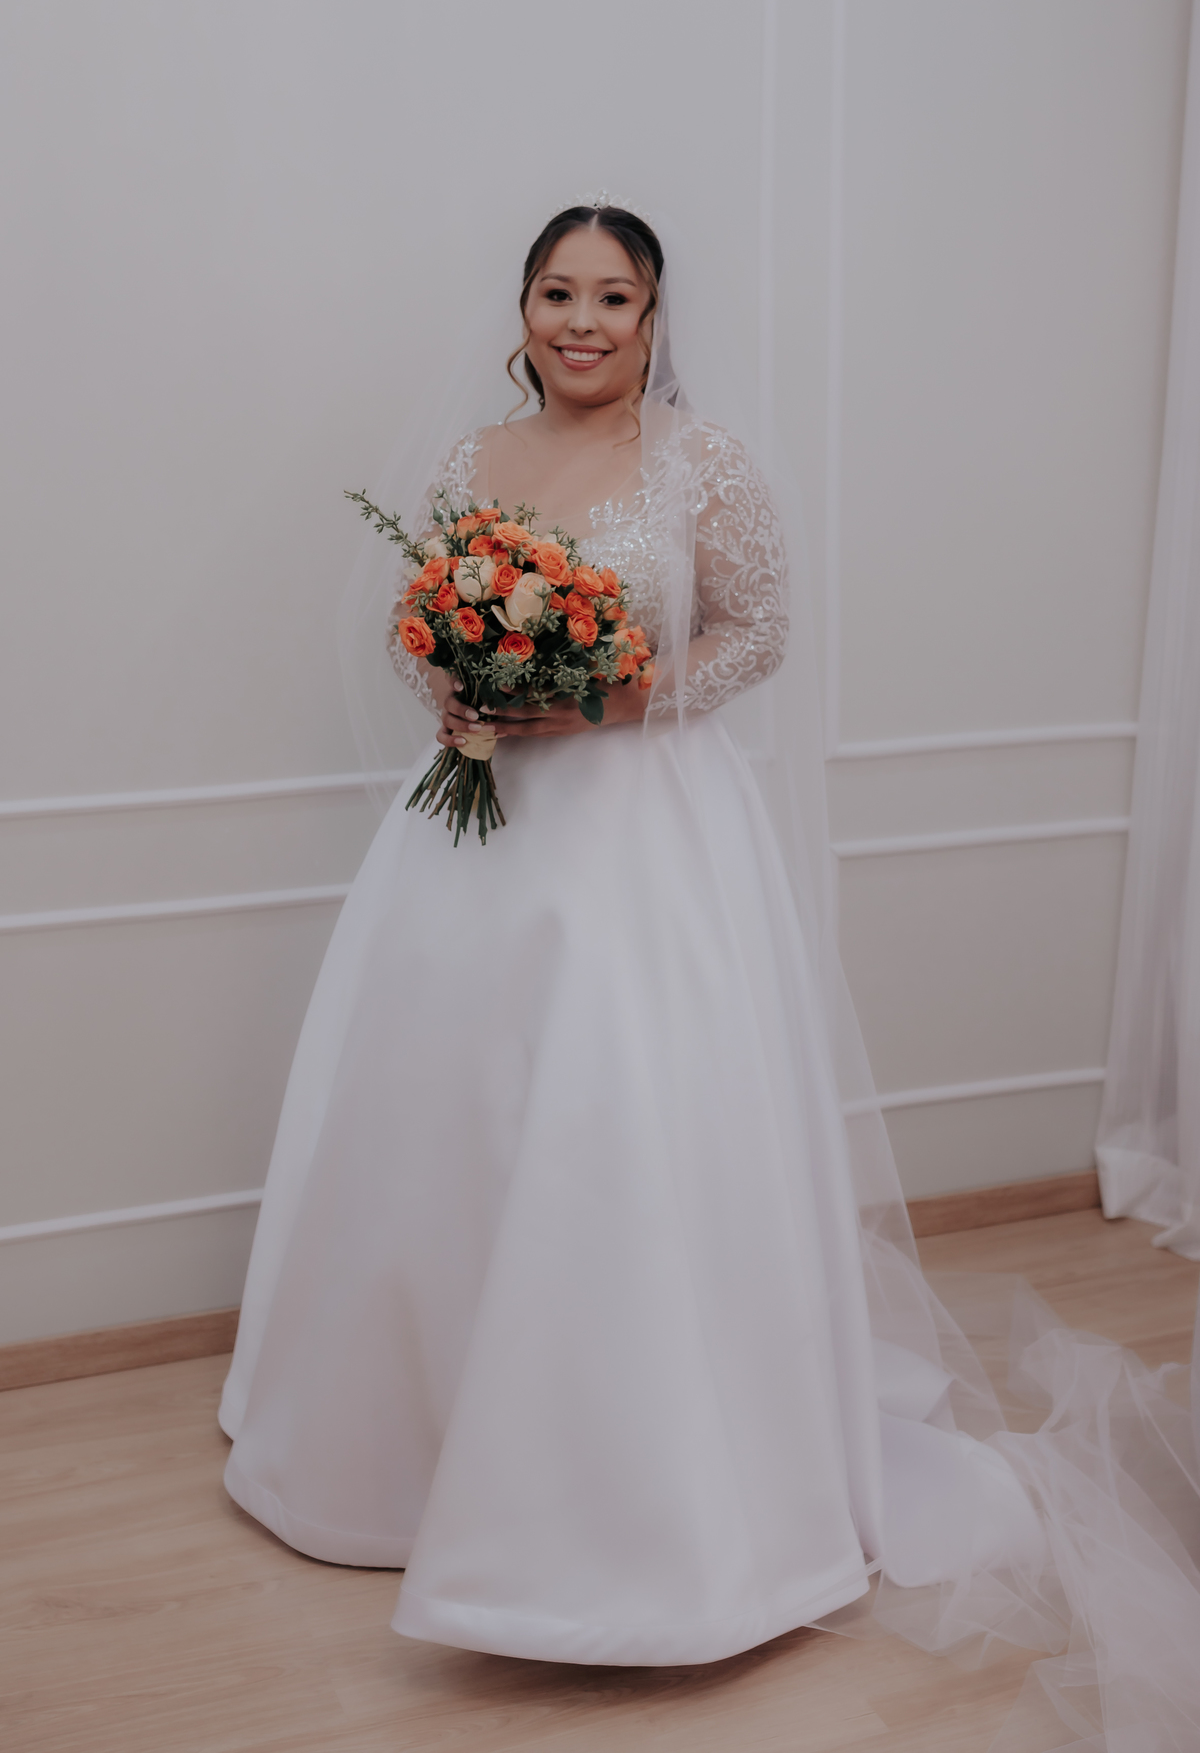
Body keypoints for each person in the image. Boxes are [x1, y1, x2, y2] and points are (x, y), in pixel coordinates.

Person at [220, 204, 1200, 1733]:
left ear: (656, 316)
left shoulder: (704, 462)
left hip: (647, 837)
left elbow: (760, 633)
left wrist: (615, 697)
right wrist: (460, 693)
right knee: (448, 1118)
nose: (584, 321)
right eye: (559, 293)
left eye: (615, 297)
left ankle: (642, 1480)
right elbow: (422, 629)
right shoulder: (472, 458)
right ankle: (413, 1447)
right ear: (524, 308)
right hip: (478, 842)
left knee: (620, 1128)